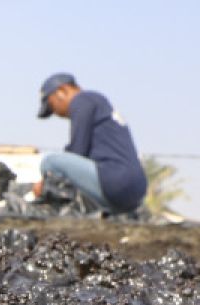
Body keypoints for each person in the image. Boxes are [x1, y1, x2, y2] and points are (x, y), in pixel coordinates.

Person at [35, 72, 146, 214]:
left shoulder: (82, 100)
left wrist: (45, 185)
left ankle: (60, 214)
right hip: (135, 191)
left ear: (62, 91)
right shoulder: (98, 102)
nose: (56, 113)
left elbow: (77, 150)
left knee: (50, 162)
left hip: (115, 182)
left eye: (51, 106)